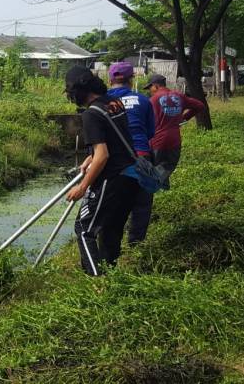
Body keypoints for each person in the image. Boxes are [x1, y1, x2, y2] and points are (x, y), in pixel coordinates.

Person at [65, 66, 140, 276]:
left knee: (84, 228)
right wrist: (90, 156)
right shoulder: (113, 103)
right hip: (130, 177)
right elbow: (115, 139)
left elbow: (103, 155)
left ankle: (96, 279)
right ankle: (110, 275)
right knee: (110, 231)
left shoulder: (90, 114)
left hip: (112, 179)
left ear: (78, 91)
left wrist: (83, 186)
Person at [123, 74, 205, 244]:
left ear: (155, 85)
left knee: (147, 180)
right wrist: (184, 117)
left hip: (156, 142)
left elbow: (144, 121)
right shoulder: (179, 96)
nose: (150, 91)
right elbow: (199, 105)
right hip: (174, 141)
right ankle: (158, 183)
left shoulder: (153, 100)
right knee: (164, 168)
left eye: (150, 88)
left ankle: (147, 195)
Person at [106, 62, 156, 245]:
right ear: (131, 78)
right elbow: (150, 132)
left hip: (112, 160)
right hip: (141, 155)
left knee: (112, 203)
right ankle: (135, 243)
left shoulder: (101, 101)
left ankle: (109, 245)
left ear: (110, 79)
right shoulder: (143, 100)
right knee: (142, 204)